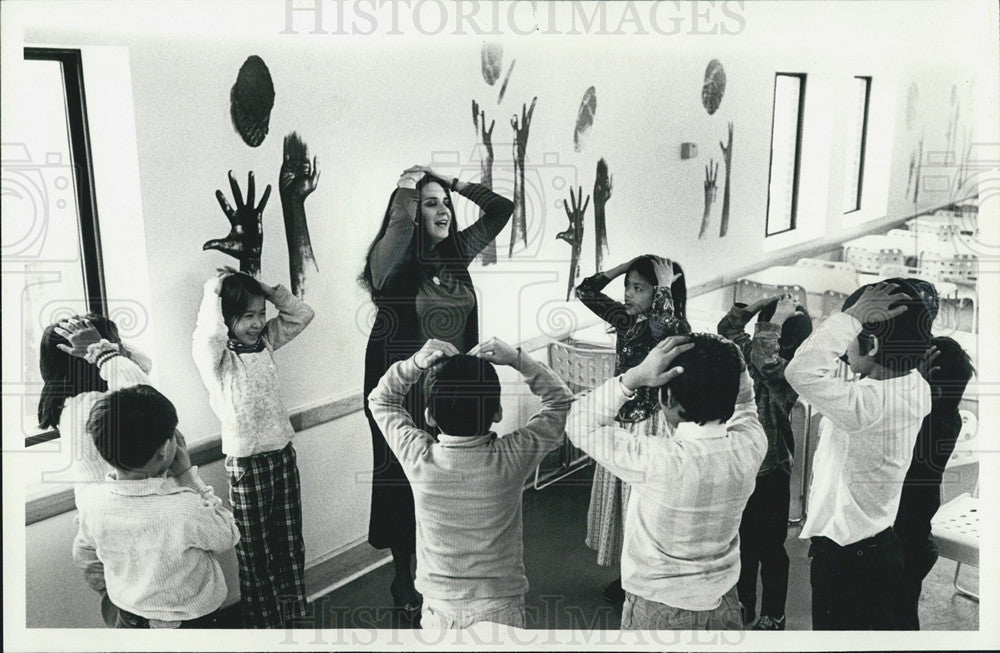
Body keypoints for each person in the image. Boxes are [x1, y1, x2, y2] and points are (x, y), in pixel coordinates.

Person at [360, 166, 513, 621]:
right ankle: (403, 576)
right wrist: (408, 187)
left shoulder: (457, 252)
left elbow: (501, 209)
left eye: (445, 203)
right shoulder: (390, 265)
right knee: (402, 482)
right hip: (402, 390)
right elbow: (396, 228)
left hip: (451, 390)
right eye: (432, 204)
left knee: (455, 481)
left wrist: (450, 182)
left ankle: (446, 569)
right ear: (409, 214)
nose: (443, 210)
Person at [367, 337, 573, 629]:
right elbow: (561, 401)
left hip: (439, 609)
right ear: (498, 414)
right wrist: (517, 359)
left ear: (429, 416)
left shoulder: (418, 457)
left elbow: (381, 399)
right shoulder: (512, 458)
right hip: (500, 606)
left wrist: (415, 363)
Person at [565, 334, 767, 630]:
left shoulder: (655, 459)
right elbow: (747, 405)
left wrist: (632, 378)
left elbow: (579, 423)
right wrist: (737, 368)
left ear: (666, 397)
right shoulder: (751, 445)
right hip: (724, 605)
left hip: (658, 611)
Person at [784, 279, 933, 630]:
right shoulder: (916, 386)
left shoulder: (868, 405)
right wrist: (856, 321)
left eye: (851, 338)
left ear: (870, 343)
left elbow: (799, 371)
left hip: (846, 560)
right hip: (879, 547)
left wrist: (849, 317)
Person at [192, 269, 315, 628]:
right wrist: (213, 290)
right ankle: (265, 627)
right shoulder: (216, 357)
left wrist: (266, 291)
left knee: (290, 545)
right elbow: (211, 333)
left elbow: (302, 314)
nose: (258, 322)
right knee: (254, 553)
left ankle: (295, 619)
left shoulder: (266, 342)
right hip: (247, 464)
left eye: (261, 313)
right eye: (247, 315)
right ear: (227, 316)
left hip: (282, 456)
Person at [72, 384, 240, 628]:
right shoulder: (185, 508)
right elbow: (227, 535)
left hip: (129, 617)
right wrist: (187, 476)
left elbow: (89, 547)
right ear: (164, 450)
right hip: (191, 624)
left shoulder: (90, 500)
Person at [573, 255, 690, 603]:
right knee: (621, 506)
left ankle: (645, 576)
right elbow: (585, 290)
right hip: (622, 418)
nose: (627, 293)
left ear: (659, 293)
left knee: (644, 505)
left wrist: (665, 289)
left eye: (638, 288)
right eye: (628, 286)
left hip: (651, 424)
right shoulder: (626, 320)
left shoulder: (670, 326)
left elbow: (664, 327)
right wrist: (624, 267)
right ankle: (629, 575)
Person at [38, 315, 154, 626]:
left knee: (130, 620)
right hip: (113, 539)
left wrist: (102, 346)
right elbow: (145, 394)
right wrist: (102, 349)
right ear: (90, 360)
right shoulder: (93, 407)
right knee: (139, 623)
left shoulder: (69, 403)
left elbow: (142, 363)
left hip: (100, 537)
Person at [717, 293, 813, 630]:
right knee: (742, 546)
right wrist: (760, 306)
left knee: (771, 549)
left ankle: (774, 614)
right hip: (743, 469)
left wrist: (773, 319)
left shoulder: (790, 372)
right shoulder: (751, 352)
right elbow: (727, 328)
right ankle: (743, 607)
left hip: (771, 472)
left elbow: (765, 358)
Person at [894, 336, 975, 629]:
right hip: (916, 533)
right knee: (903, 607)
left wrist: (913, 386)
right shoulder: (948, 417)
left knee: (899, 615)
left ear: (933, 388)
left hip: (906, 537)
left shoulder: (928, 422)